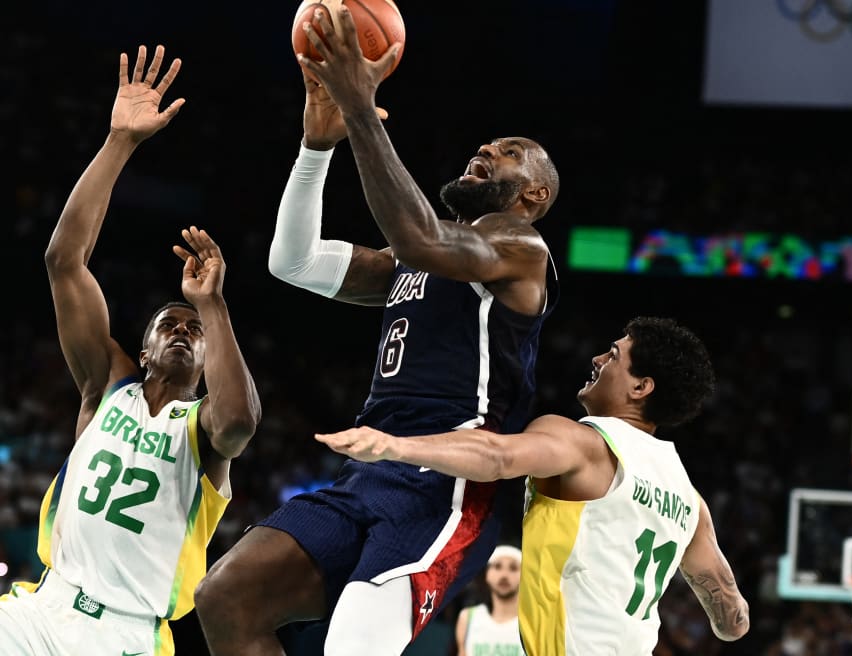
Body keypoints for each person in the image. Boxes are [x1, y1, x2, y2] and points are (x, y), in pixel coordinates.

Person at [193, 7, 560, 656]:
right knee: (227, 596)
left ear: (532, 197)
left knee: (353, 648)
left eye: (508, 156)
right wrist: (315, 149)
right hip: (367, 468)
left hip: (444, 481)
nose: (485, 152)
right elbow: (294, 262)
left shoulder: (519, 246)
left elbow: (417, 233)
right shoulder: (411, 261)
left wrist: (360, 107)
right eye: (485, 146)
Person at [0, 45, 261, 656]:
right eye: (169, 323)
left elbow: (241, 422)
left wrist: (211, 303)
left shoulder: (204, 430)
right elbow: (63, 262)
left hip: (126, 635)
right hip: (41, 609)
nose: (182, 330)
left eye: (193, 330)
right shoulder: (107, 384)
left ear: (207, 360)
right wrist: (120, 141)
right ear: (140, 349)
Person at [316, 316, 751, 655]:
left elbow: (497, 457)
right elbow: (732, 619)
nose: (599, 359)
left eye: (614, 356)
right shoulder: (688, 495)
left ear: (641, 387)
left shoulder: (584, 443)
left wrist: (394, 445)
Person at [456, 545, 526, 656]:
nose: (504, 575)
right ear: (487, 574)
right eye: (497, 566)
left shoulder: (531, 623)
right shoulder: (468, 618)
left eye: (513, 568)